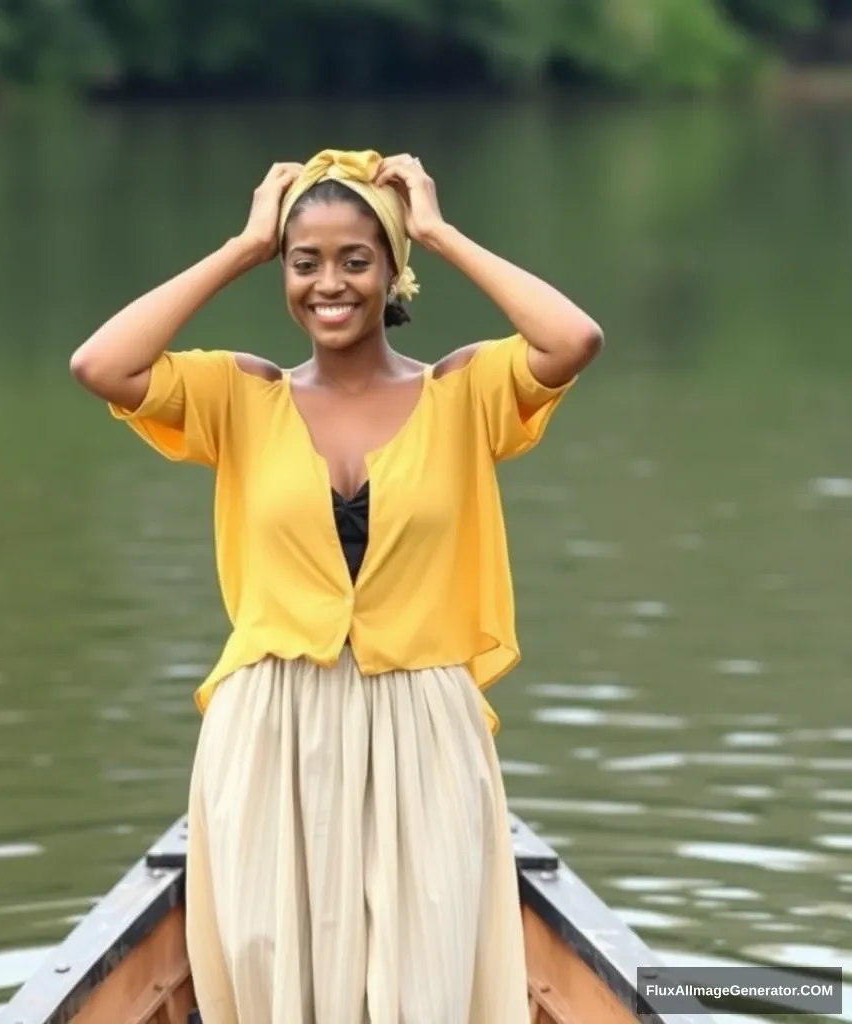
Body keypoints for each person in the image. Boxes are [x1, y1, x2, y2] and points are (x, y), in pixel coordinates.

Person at [69, 148, 602, 1024]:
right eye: (303, 261)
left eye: (356, 260)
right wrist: (242, 245)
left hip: (423, 723)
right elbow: (102, 365)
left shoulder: (463, 390)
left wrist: (438, 229)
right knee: (273, 965)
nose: (330, 285)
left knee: (420, 977)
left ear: (393, 270)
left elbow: (571, 339)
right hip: (272, 722)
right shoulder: (242, 394)